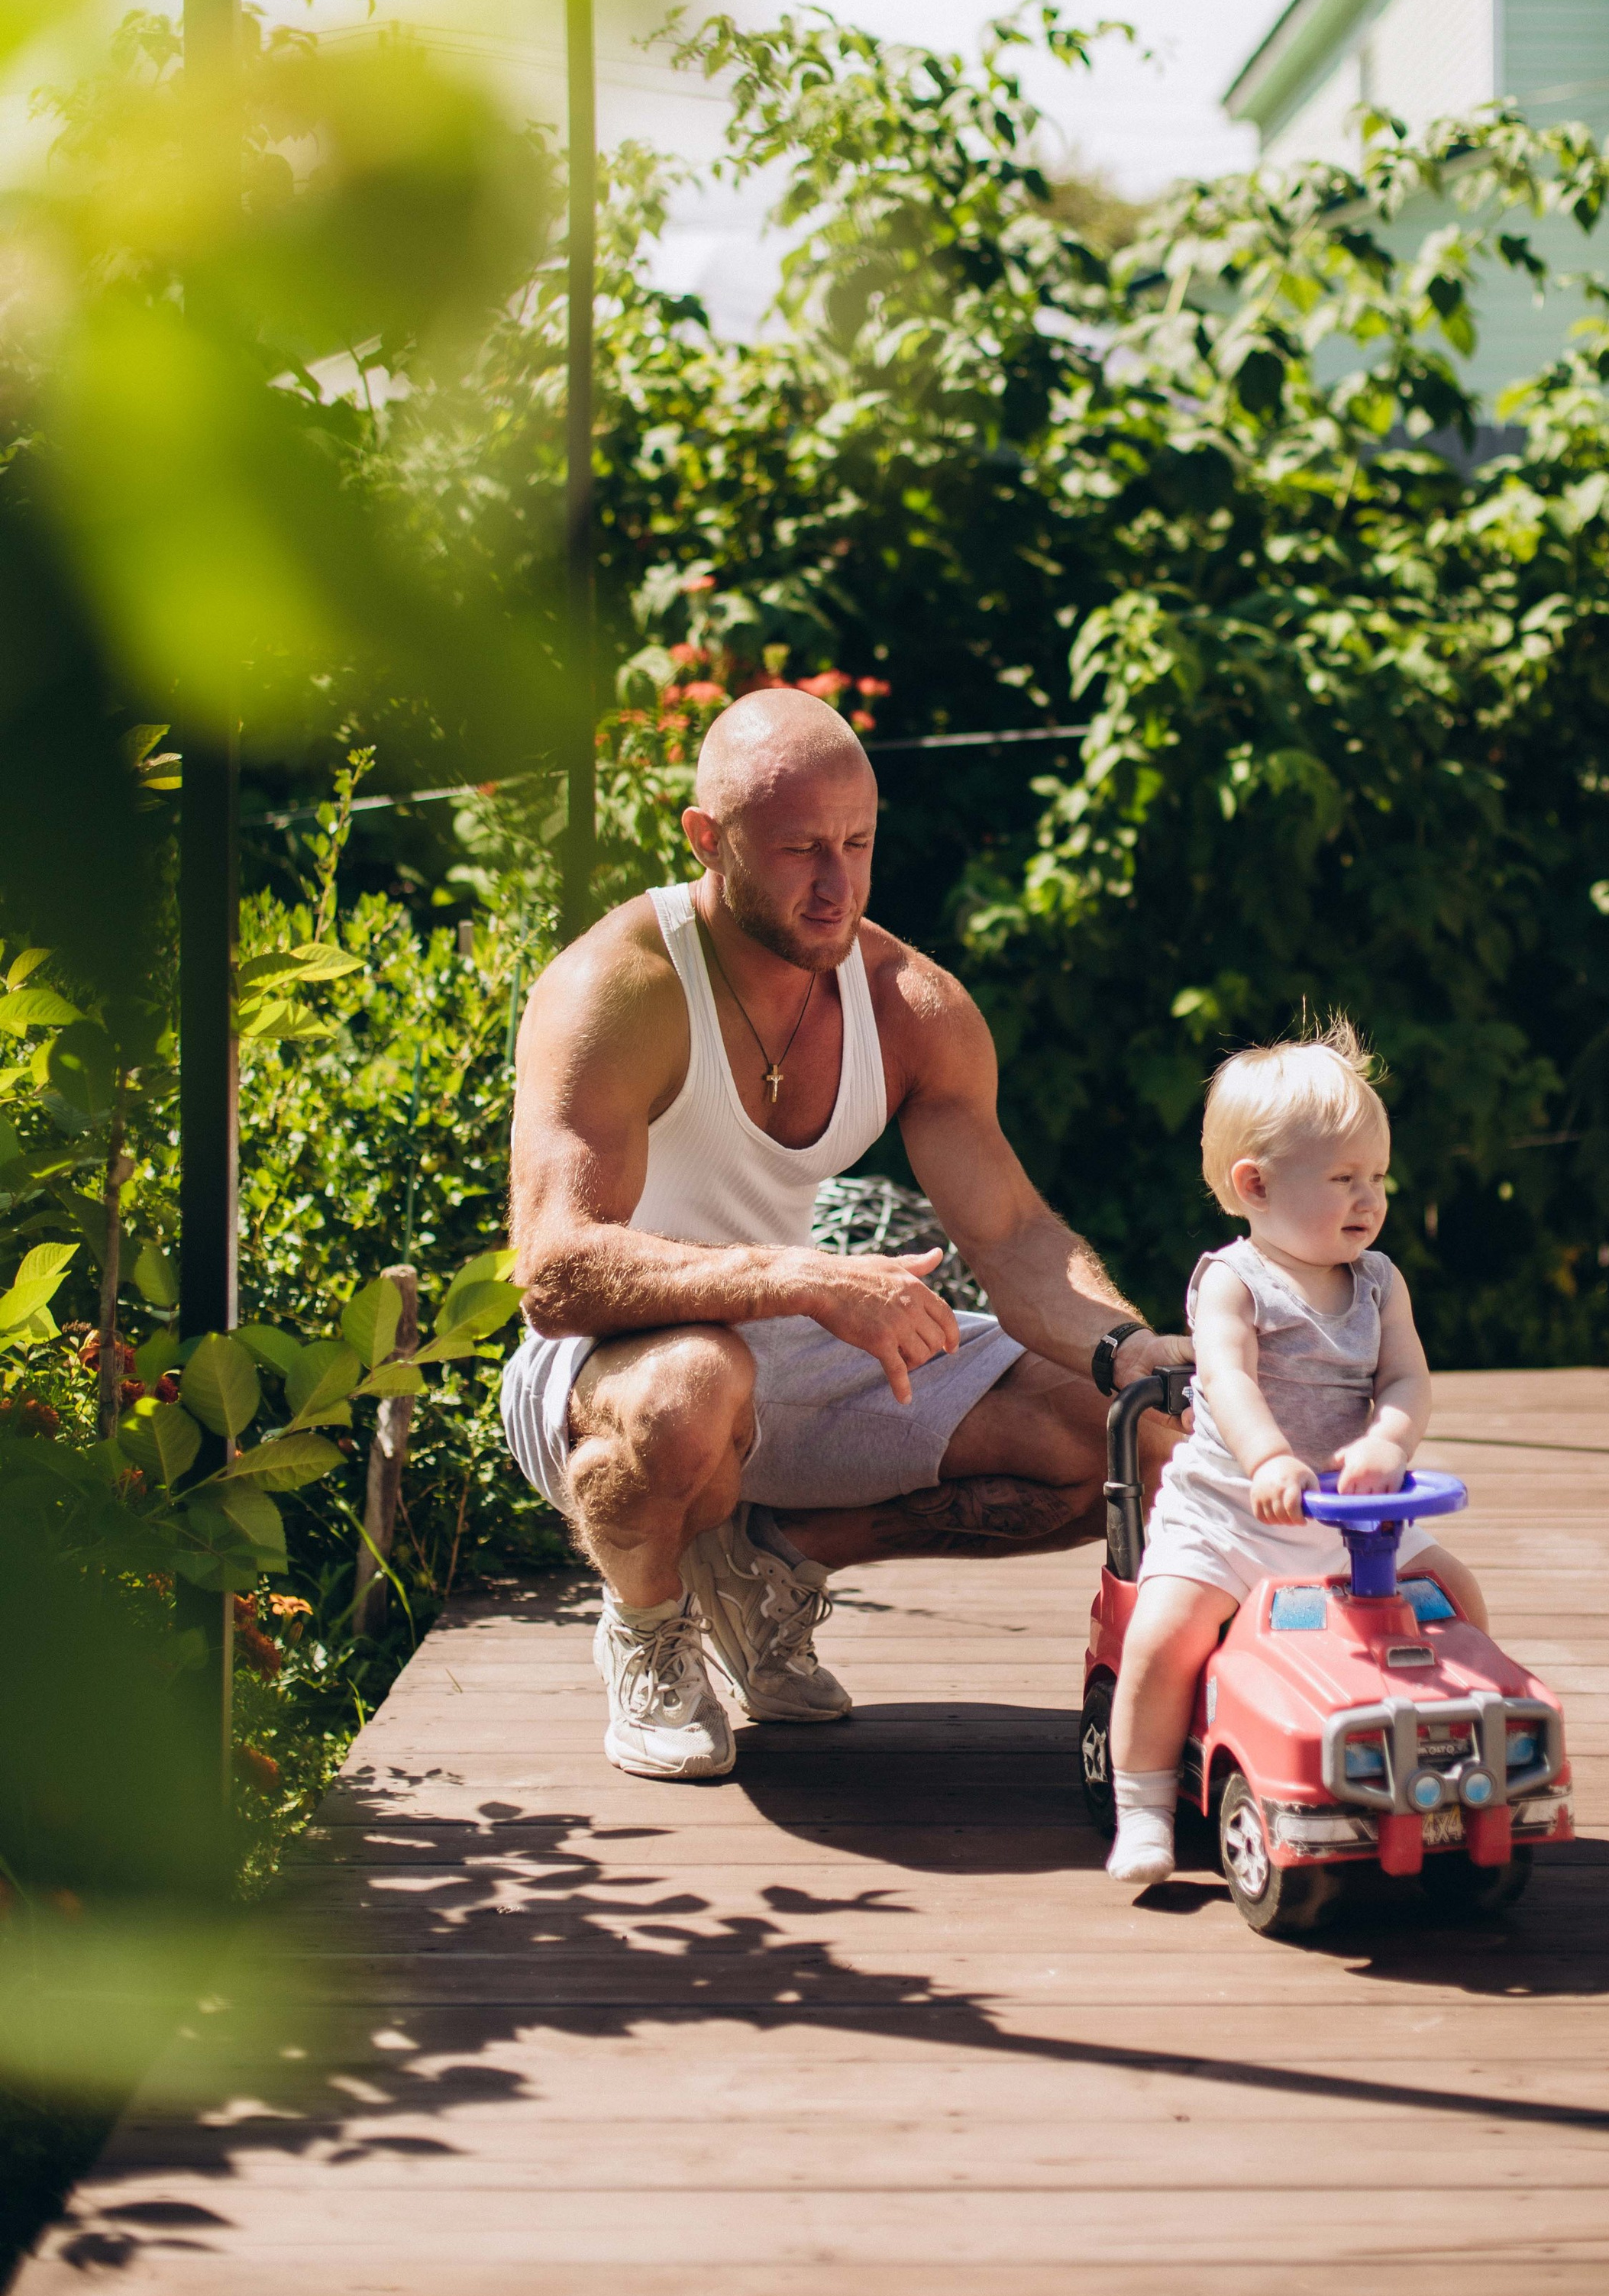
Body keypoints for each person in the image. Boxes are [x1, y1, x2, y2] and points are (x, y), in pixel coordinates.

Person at [502, 685, 1185, 1783]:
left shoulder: (909, 1004)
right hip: (610, 1364)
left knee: (1123, 1437)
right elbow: (555, 1271)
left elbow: (1012, 1233)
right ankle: (648, 1629)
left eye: (858, 843)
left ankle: (769, 1564)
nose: (837, 885)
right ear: (707, 839)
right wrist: (798, 1277)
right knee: (693, 1386)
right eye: (798, 849)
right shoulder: (620, 986)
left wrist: (1130, 1350)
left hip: (795, 1342)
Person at [1104, 1022, 1488, 1889]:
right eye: (1345, 1178)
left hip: (1352, 1521)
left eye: (1378, 1177)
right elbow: (1228, 1381)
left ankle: (1451, 1748)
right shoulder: (1233, 1281)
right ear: (1257, 1185)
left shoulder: (1379, 1282)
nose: (1370, 1199)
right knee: (1165, 1634)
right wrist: (1270, 1458)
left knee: (1457, 1595)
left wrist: (1388, 1440)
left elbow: (1406, 1378)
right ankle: (1143, 1802)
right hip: (1232, 1512)